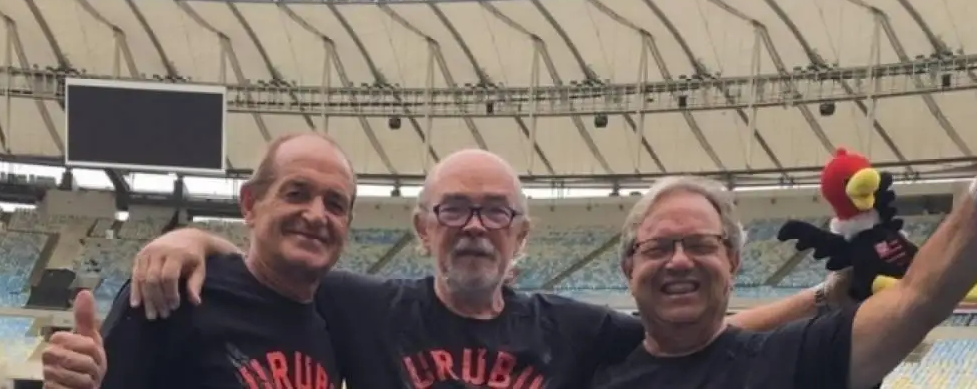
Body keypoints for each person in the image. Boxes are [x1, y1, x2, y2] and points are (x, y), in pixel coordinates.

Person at [128, 148, 848, 388]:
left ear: (521, 236)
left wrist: (820, 298)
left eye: (495, 213)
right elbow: (277, 265)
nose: (475, 227)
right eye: (455, 211)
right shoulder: (360, 305)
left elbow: (699, 339)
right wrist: (195, 240)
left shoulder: (571, 328)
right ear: (423, 230)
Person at [590, 77, 977, 388]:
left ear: (733, 261)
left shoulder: (795, 358)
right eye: (659, 247)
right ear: (628, 266)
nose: (680, 259)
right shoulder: (584, 371)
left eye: (703, 243)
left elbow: (918, 299)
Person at [41, 132, 354, 389]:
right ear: (250, 204)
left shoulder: (342, 320)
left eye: (335, 204)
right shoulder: (174, 293)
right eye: (296, 193)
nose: (316, 215)